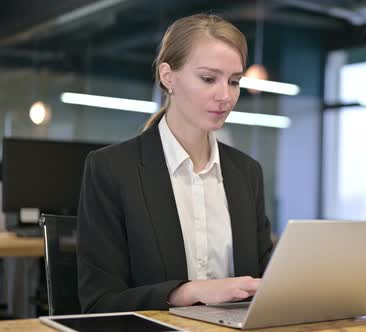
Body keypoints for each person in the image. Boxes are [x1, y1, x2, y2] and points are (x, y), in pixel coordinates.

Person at [77, 13, 274, 313]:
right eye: (209, 78)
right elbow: (99, 302)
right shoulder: (112, 169)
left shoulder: (247, 172)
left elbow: (265, 282)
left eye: (234, 82)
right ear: (168, 76)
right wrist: (186, 292)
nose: (226, 96)